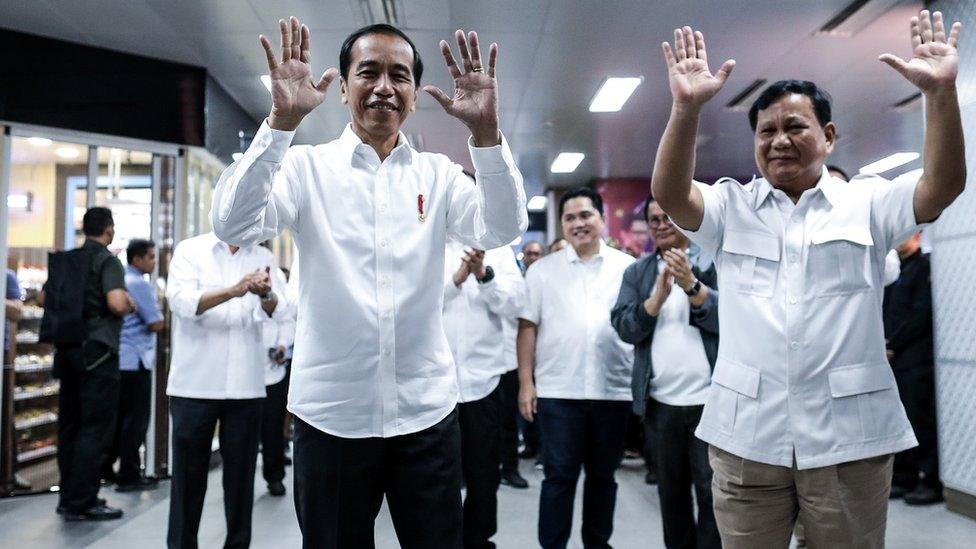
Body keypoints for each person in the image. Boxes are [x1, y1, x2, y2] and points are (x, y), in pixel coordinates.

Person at [650, 11, 966, 547]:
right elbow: (673, 194)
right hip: (748, 438)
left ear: (828, 135)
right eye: (766, 130)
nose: (779, 141)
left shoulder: (867, 202)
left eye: (794, 127)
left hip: (848, 442)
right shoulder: (733, 206)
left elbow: (943, 185)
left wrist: (939, 95)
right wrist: (685, 108)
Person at [210, 17, 526, 548]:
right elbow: (233, 225)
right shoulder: (306, 168)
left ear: (414, 95)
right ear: (343, 87)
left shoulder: (439, 175)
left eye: (399, 76)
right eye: (369, 72)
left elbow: (503, 227)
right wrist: (279, 125)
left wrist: (486, 136)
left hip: (426, 416)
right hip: (331, 418)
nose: (384, 87)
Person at [518, 187, 635, 549]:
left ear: (601, 218)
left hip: (612, 390)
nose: (578, 223)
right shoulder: (542, 272)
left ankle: (597, 544)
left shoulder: (627, 268)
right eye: (570, 217)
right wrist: (526, 383)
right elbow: (527, 327)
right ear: (562, 224)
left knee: (604, 478)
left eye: (585, 215)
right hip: (558, 392)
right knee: (559, 478)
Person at [165, 232, 286, 548]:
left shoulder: (263, 257)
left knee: (241, 480)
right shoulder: (190, 250)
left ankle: (238, 544)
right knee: (188, 479)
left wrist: (264, 294)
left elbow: (279, 309)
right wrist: (235, 290)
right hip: (194, 384)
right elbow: (181, 301)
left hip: (246, 384)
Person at [611, 198, 720, 549]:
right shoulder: (637, 273)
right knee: (671, 496)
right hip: (660, 405)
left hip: (710, 403)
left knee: (712, 495)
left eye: (667, 218)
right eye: (653, 219)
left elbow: (731, 319)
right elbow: (625, 327)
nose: (660, 225)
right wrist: (655, 301)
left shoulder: (712, 263)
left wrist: (691, 285)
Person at [443, 238, 524, 547]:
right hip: (435, 380)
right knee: (437, 474)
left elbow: (516, 302)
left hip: (485, 378)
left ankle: (478, 539)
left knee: (484, 472)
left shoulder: (498, 248)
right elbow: (410, 302)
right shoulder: (423, 241)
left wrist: (483, 274)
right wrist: (456, 280)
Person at [54, 207, 134, 521]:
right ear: (109, 230)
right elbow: (115, 302)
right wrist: (129, 303)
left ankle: (67, 497)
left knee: (70, 427)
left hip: (68, 352)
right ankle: (84, 501)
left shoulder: (67, 260)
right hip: (98, 356)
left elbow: (46, 301)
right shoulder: (107, 260)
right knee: (95, 427)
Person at [885, 232, 941, 505]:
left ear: (918, 236)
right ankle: (904, 476)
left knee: (921, 420)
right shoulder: (896, 272)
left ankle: (928, 480)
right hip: (895, 359)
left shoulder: (924, 267)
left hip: (916, 360)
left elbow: (920, 314)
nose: (897, 240)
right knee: (900, 420)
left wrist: (893, 342)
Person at [107, 239, 164, 492]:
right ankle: (129, 473)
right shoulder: (138, 284)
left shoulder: (123, 280)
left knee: (122, 418)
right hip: (136, 359)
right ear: (137, 259)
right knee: (135, 421)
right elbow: (155, 322)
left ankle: (112, 468)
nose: (153, 262)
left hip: (124, 359)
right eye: (150, 257)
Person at [261, 266, 295, 497]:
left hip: (272, 364)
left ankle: (274, 476)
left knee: (272, 425)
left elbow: (287, 315)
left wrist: (283, 344)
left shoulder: (274, 271)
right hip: (243, 366)